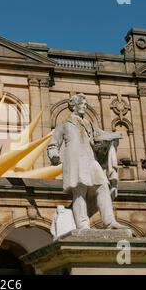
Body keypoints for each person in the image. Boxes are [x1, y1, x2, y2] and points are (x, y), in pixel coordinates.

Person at [47, 93, 125, 229]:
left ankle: (109, 220)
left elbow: (100, 136)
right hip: (75, 162)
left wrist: (114, 136)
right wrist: (54, 156)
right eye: (82, 104)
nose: (85, 107)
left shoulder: (89, 124)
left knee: (103, 185)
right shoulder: (64, 125)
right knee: (80, 191)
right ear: (74, 106)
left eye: (86, 105)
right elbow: (53, 144)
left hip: (91, 160)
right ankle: (83, 225)